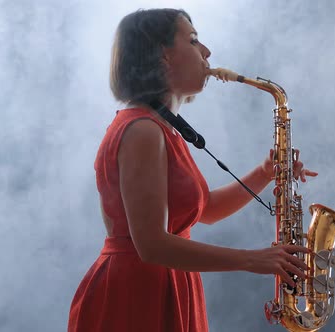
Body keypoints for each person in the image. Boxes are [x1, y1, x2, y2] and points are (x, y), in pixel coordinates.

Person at [68, 8, 317, 332]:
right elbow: (152, 244)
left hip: (161, 284)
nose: (207, 52)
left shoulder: (159, 127)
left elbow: (206, 210)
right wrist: (252, 259)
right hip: (135, 294)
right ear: (164, 56)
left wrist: (266, 172)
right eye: (194, 40)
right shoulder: (142, 130)